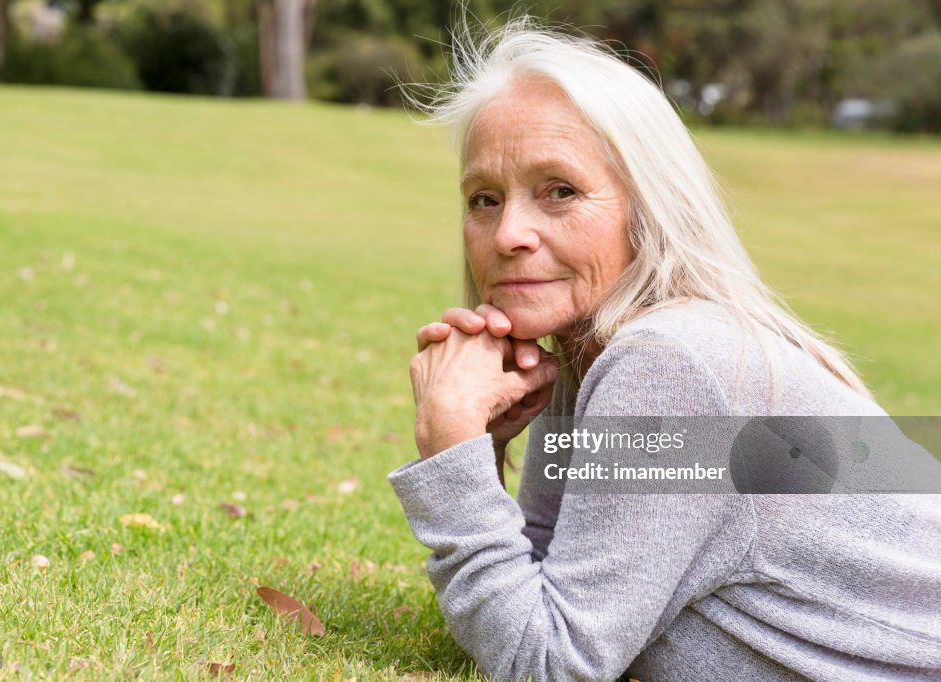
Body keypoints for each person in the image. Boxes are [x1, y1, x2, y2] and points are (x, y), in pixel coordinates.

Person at [386, 17, 941, 682]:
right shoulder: (596, 349)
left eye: (559, 190)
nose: (508, 233)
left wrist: (451, 456)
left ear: (649, 210)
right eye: (484, 198)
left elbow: (546, 662)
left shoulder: (669, 362)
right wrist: (485, 454)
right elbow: (536, 605)